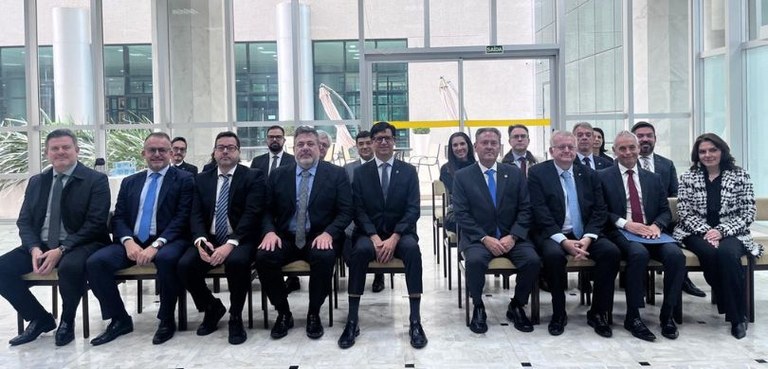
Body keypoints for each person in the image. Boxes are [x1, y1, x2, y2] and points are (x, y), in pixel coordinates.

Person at [0, 129, 111, 346]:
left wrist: (62, 249)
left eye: (66, 147)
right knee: (1, 268)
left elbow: (96, 223)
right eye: (55, 148)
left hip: (82, 243)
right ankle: (39, 318)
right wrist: (33, 247)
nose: (61, 152)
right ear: (47, 153)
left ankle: (67, 321)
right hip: (40, 245)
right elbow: (24, 221)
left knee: (70, 267)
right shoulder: (36, 182)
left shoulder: (96, 180)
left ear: (77, 151)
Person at [87, 132, 194, 346]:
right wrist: (127, 241)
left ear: (171, 153)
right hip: (132, 242)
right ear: (143, 153)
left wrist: (156, 245)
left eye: (162, 150)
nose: (157, 154)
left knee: (166, 260)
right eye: (152, 150)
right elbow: (119, 217)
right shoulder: (130, 182)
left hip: (168, 241)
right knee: (96, 263)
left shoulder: (184, 180)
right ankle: (119, 318)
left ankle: (166, 319)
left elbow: (182, 218)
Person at [256, 126, 353, 340]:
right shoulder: (279, 175)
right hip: (286, 237)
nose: (305, 148)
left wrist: (329, 233)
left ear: (319, 147)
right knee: (264, 257)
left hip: (319, 236)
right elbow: (266, 210)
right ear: (294, 148)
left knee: (325, 257)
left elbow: (346, 211)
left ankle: (313, 313)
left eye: (311, 144)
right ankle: (283, 312)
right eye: (301, 144)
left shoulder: (336, 174)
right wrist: (269, 232)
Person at [338, 121, 427, 349]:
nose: (383, 142)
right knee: (359, 253)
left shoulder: (408, 171)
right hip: (369, 235)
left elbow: (413, 208)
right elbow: (358, 209)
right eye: (378, 139)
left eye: (388, 138)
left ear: (394, 141)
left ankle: (415, 320)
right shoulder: (360, 172)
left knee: (413, 251)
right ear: (373, 143)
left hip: (401, 233)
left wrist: (395, 237)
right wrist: (374, 237)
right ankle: (352, 320)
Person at [528, 130, 620, 337]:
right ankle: (559, 313)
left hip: (585, 234)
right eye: (562, 147)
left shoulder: (589, 174)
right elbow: (539, 212)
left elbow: (600, 210)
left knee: (611, 253)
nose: (567, 151)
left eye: (571, 147)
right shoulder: (538, 174)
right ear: (552, 151)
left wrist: (588, 238)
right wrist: (563, 242)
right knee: (553, 256)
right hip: (553, 233)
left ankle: (598, 312)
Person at [178, 131, 266, 345]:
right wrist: (199, 239)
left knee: (237, 263)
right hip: (209, 238)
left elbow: (251, 214)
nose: (225, 151)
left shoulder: (253, 176)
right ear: (214, 152)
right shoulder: (201, 179)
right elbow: (195, 213)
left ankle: (235, 316)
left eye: (231, 147)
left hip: (241, 239)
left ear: (239, 152)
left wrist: (230, 244)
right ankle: (211, 307)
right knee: (185, 265)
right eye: (221, 147)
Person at [673, 133, 763, 339]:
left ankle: (736, 318)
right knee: (710, 253)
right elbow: (685, 213)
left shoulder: (741, 175)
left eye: (713, 150)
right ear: (697, 155)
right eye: (703, 151)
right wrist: (707, 231)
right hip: (695, 231)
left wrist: (721, 231)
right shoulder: (688, 177)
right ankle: (735, 309)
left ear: (722, 151)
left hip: (732, 231)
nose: (708, 155)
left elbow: (748, 212)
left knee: (727, 255)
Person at [598, 131, 684, 341]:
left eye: (631, 147)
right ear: (614, 151)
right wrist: (627, 224)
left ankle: (668, 315)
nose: (628, 152)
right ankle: (633, 316)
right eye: (622, 148)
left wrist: (657, 225)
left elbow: (665, 210)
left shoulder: (653, 178)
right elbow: (601, 211)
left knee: (676, 256)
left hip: (652, 232)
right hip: (622, 230)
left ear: (638, 149)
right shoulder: (602, 177)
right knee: (638, 255)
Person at [452, 128, 539, 334]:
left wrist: (514, 236)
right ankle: (479, 307)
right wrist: (484, 238)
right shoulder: (463, 176)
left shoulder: (514, 173)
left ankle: (517, 304)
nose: (489, 147)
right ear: (476, 147)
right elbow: (461, 214)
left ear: (500, 147)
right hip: (478, 238)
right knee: (474, 261)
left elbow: (526, 208)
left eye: (493, 143)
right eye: (484, 143)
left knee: (533, 261)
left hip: (512, 237)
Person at [631, 121, 706, 298]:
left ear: (655, 139)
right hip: (633, 221)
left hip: (663, 220)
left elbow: (674, 195)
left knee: (678, 240)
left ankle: (682, 279)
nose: (645, 139)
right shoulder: (625, 164)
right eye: (640, 136)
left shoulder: (666, 164)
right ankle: (638, 283)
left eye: (649, 135)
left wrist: (660, 221)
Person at [343, 130, 385, 293]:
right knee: (349, 247)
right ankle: (356, 281)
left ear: (373, 143)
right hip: (353, 221)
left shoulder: (382, 167)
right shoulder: (347, 169)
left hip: (377, 221)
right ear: (356, 146)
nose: (365, 146)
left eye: (368, 143)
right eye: (361, 144)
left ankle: (379, 275)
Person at [439, 131, 476, 233]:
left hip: (478, 209)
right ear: (451, 149)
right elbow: (457, 193)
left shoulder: (478, 166)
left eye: (462, 144)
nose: (459, 148)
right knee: (465, 223)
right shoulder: (446, 169)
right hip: (456, 211)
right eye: (455, 145)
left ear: (468, 145)